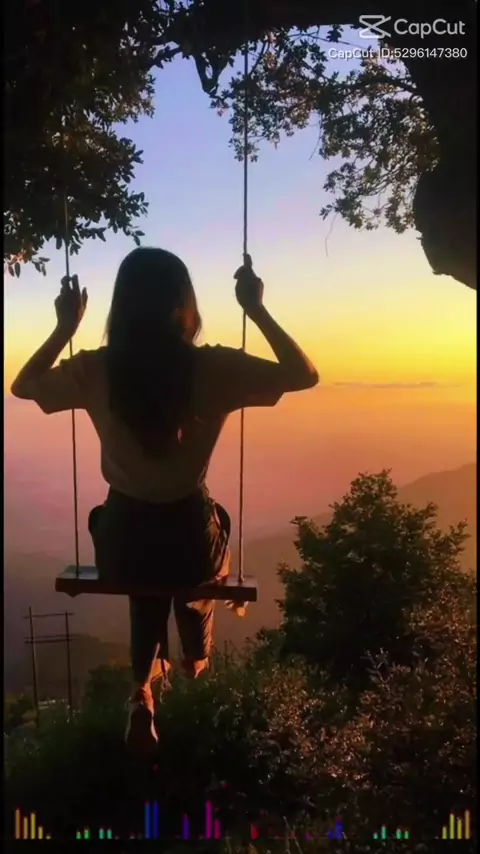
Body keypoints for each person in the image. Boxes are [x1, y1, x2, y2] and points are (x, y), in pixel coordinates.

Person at [11, 248, 319, 756]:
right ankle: (195, 653)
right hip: (189, 541)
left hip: (123, 543)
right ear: (185, 306)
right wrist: (256, 308)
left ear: (120, 307)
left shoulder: (97, 369)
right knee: (207, 535)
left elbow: (24, 386)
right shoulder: (213, 368)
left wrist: (65, 327)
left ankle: (142, 692)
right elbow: (303, 375)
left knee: (138, 566)